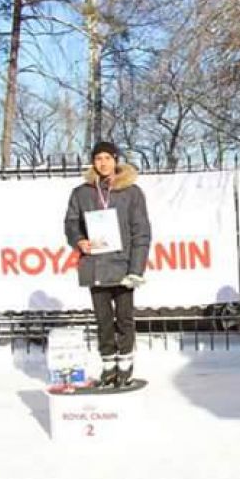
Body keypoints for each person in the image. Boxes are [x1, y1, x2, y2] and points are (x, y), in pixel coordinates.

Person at [64, 141, 151, 388]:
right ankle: (108, 364)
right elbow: (71, 223)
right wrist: (79, 240)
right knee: (102, 320)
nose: (102, 163)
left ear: (116, 160)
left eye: (107, 158)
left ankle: (125, 363)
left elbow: (141, 232)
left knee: (124, 319)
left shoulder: (131, 192)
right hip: (96, 265)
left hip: (123, 265)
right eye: (98, 158)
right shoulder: (81, 193)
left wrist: (136, 270)